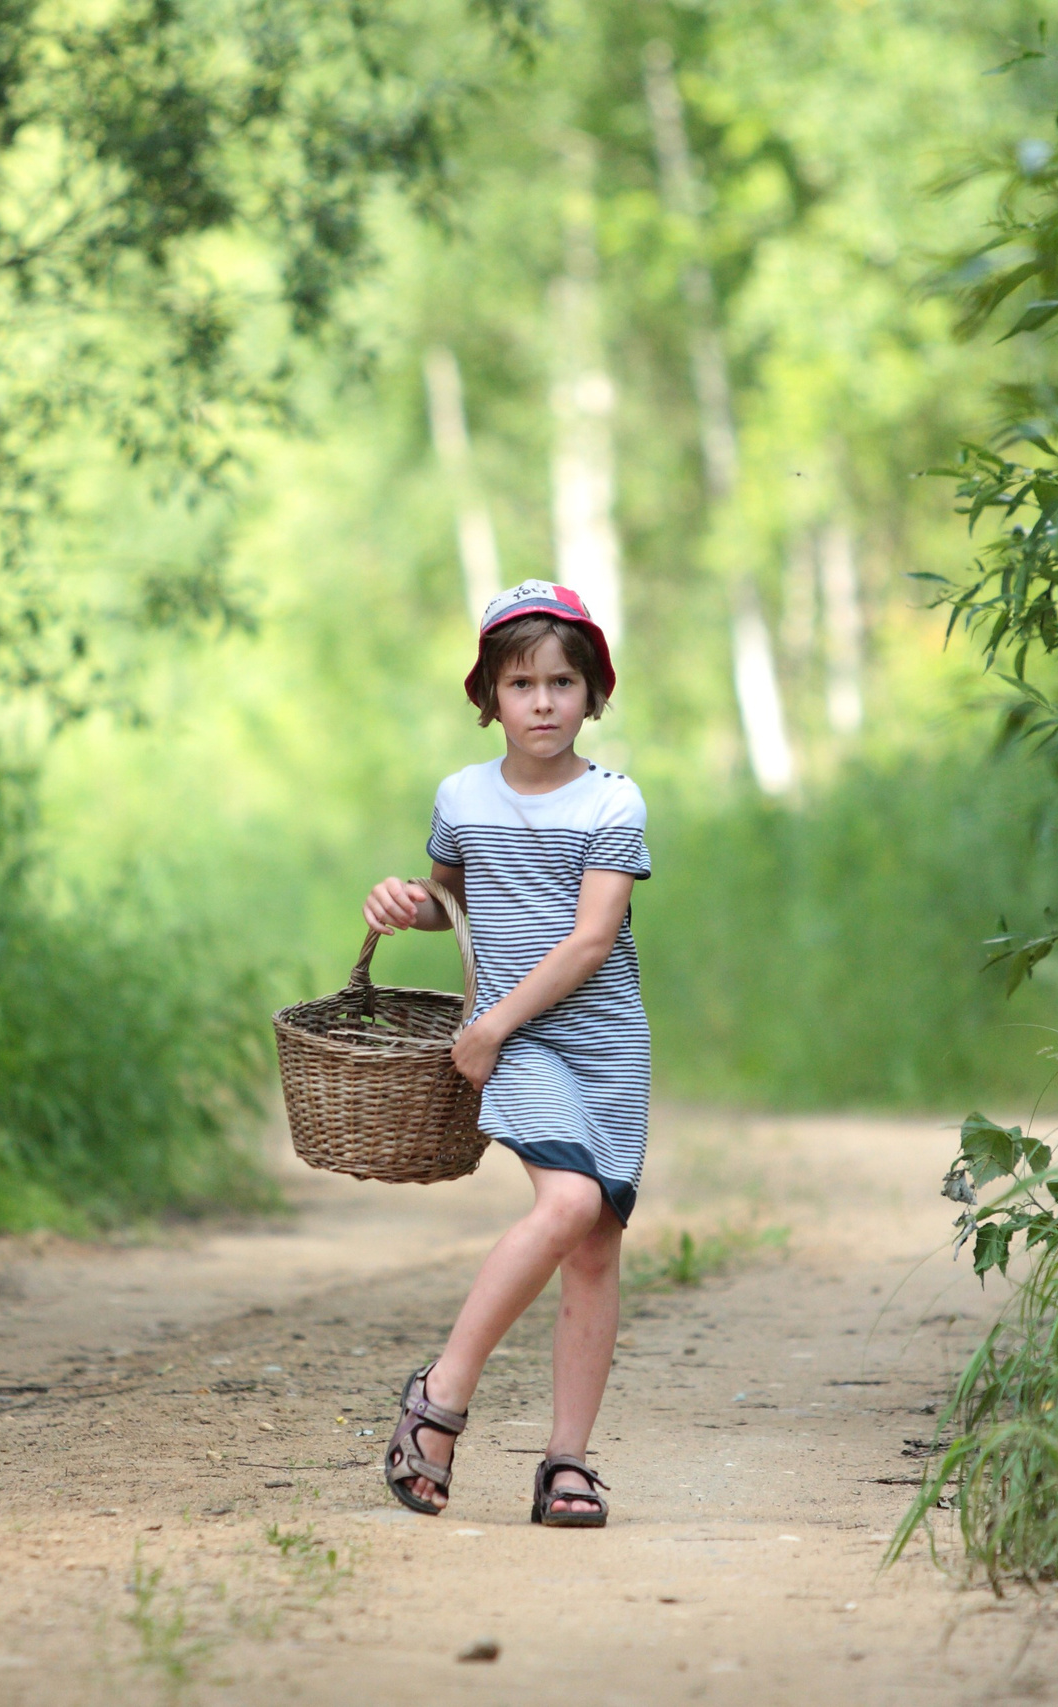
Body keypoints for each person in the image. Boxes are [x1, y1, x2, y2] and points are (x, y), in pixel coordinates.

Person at [361, 580, 651, 1528]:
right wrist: (405, 903)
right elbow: (450, 897)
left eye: (562, 682)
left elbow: (590, 940)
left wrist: (485, 1025)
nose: (541, 702)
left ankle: (566, 1461)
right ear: (490, 694)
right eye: (520, 682)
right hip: (516, 1042)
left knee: (597, 1246)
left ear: (592, 692)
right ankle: (438, 1399)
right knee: (565, 1201)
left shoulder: (613, 800)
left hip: (603, 1042)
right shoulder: (461, 795)